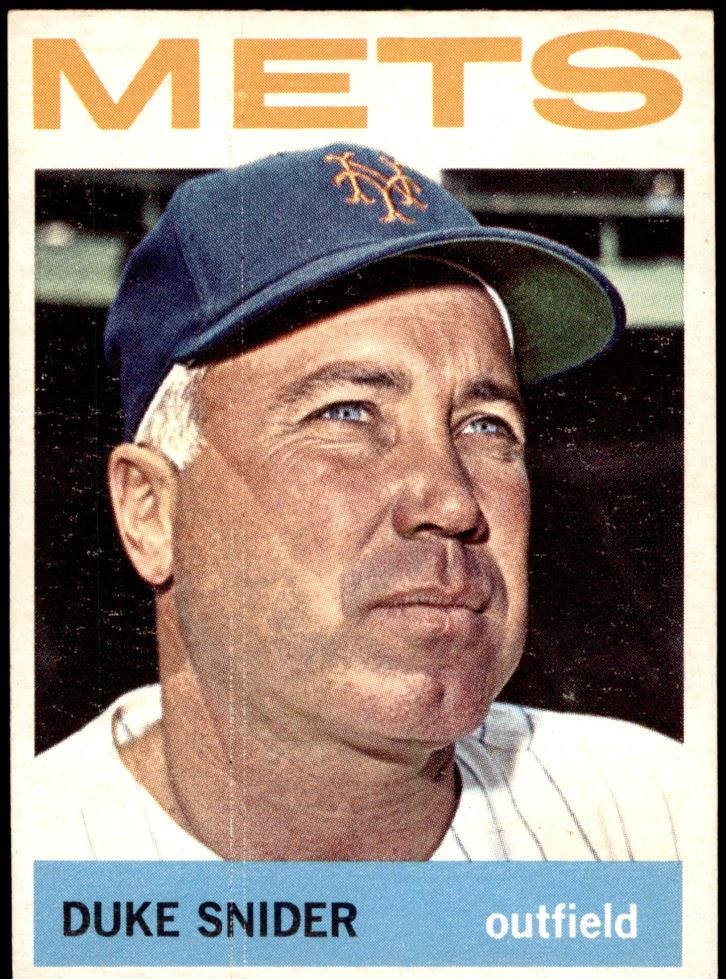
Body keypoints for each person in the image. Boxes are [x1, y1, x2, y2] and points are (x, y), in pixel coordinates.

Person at [34, 143, 683, 861]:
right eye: (346, 413)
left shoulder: (664, 817)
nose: (453, 502)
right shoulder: (37, 863)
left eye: (486, 425)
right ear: (151, 513)